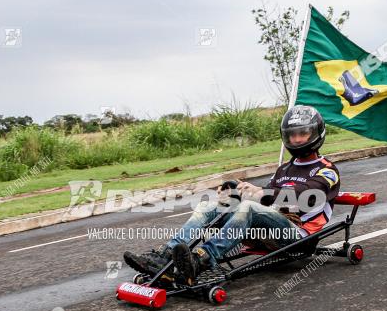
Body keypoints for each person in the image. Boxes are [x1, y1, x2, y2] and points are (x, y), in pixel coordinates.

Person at [123, 105, 340, 285]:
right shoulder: (284, 169)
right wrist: (236, 192)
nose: (297, 139)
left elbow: (308, 197)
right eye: (292, 134)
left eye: (303, 133)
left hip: (298, 238)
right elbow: (265, 201)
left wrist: (259, 194)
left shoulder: (327, 171)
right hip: (265, 231)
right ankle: (165, 259)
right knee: (212, 206)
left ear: (316, 134)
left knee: (248, 207)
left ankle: (201, 260)